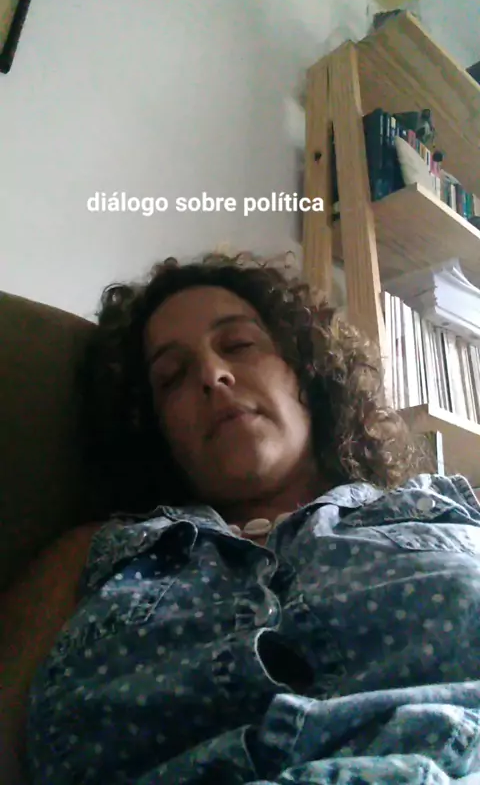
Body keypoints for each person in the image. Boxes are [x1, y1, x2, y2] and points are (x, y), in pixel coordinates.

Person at [3, 252, 480, 785]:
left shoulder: (448, 509)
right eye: (172, 377)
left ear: (306, 371)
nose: (212, 375)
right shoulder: (93, 557)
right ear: (156, 430)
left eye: (238, 345)